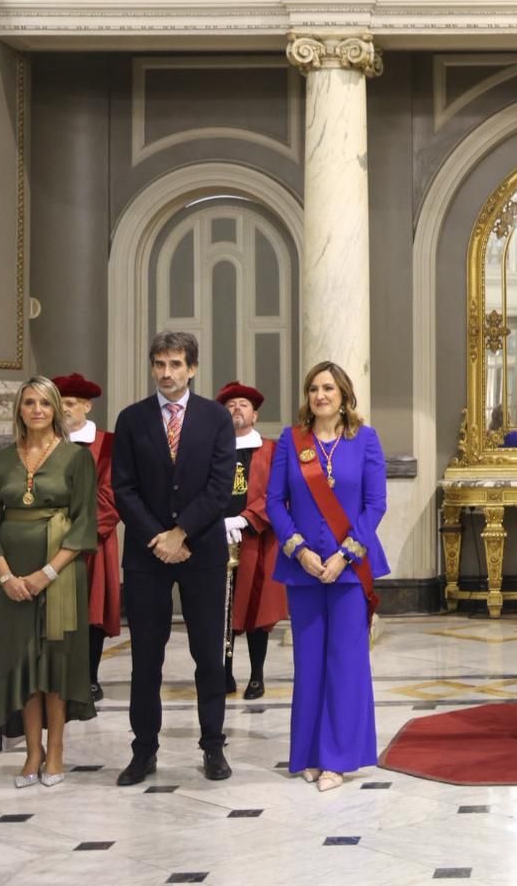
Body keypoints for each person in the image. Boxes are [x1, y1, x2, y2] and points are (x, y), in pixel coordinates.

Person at [111, 331, 237, 786]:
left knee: (208, 656)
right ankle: (143, 751)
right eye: (160, 364)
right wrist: (158, 537)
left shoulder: (216, 418)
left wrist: (181, 532)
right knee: (146, 658)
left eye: (176, 364)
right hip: (147, 557)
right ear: (152, 367)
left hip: (201, 551)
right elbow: (122, 488)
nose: (167, 373)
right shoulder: (131, 419)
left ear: (193, 369)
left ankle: (213, 747)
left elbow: (220, 487)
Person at [267, 361, 389, 791]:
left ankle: (337, 759)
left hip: (350, 571)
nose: (320, 395)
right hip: (303, 571)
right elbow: (274, 503)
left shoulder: (366, 440)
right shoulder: (290, 441)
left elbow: (375, 505)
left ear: (344, 396)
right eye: (314, 389)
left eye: (329, 389)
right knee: (309, 663)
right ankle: (309, 753)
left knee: (346, 663)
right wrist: (298, 550)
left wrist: (345, 555)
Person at [0, 377, 98, 788]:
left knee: (54, 663)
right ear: (19, 410)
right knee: (22, 663)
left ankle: (57, 751)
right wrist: (6, 576)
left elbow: (84, 524)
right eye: (29, 402)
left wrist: (47, 573)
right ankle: (32, 753)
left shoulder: (77, 459)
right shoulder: (1, 461)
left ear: (57, 409)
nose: (38, 409)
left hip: (59, 575)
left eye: (45, 402)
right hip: (12, 580)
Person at [217, 381, 288, 700]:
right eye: (230, 405)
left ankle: (256, 676)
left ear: (255, 415)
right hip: (217, 536)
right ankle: (225, 673)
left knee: (256, 610)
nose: (236, 409)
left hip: (257, 539)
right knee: (222, 609)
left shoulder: (271, 451)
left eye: (243, 404)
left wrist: (245, 519)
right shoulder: (212, 450)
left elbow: (278, 494)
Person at [55, 372, 119, 703]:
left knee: (91, 612)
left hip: (94, 542)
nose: (63, 409)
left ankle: (91, 677)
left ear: (87, 406)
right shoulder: (45, 443)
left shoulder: (108, 444)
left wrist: (77, 534)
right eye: (59, 403)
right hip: (49, 544)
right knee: (57, 613)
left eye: (70, 403)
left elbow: (111, 496)